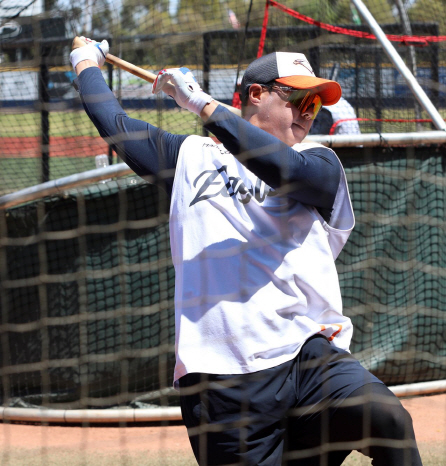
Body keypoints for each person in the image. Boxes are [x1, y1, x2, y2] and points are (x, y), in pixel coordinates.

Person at [70, 38, 422, 466]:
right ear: (256, 94)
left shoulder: (319, 161)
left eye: (315, 105)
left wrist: (200, 104)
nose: (309, 113)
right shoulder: (188, 157)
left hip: (306, 355)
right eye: (299, 99)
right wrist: (86, 61)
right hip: (222, 377)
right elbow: (115, 122)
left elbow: (283, 169)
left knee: (389, 420)